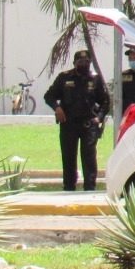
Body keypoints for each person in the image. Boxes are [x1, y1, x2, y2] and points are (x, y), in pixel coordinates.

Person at [43, 49, 109, 192]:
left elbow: (105, 101)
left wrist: (99, 118)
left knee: (89, 158)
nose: (83, 64)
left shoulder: (95, 79)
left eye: (86, 62)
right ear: (74, 63)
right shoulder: (64, 78)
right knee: (68, 157)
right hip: (69, 124)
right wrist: (57, 108)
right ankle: (69, 187)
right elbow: (49, 96)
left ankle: (90, 188)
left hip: (89, 124)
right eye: (80, 62)